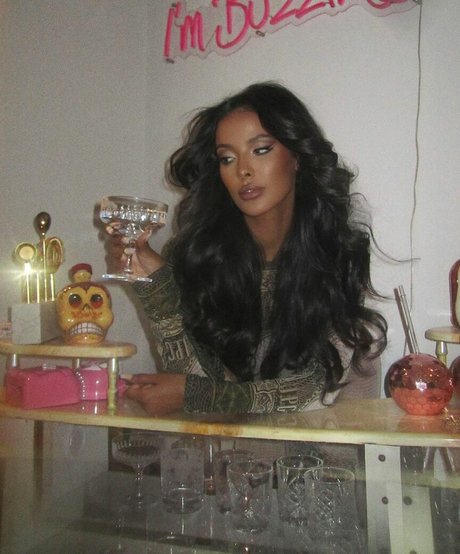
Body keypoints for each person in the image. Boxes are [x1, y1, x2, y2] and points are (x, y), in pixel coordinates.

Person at [106, 81, 387, 417]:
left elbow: (311, 393)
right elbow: (197, 383)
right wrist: (155, 284)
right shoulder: (204, 259)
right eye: (227, 158)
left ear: (297, 157)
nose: (243, 170)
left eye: (261, 150)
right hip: (234, 446)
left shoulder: (334, 253)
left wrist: (196, 396)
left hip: (325, 443)